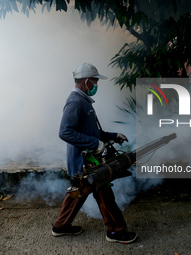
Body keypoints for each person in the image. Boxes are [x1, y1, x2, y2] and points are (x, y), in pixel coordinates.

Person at [52, 62, 137, 244]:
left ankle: (60, 227)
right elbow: (65, 132)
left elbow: (93, 132)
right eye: (95, 81)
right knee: (103, 192)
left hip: (89, 161)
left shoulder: (83, 100)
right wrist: (93, 142)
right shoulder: (75, 101)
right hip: (86, 162)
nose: (96, 85)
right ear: (87, 81)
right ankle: (116, 231)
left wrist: (113, 136)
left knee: (78, 193)